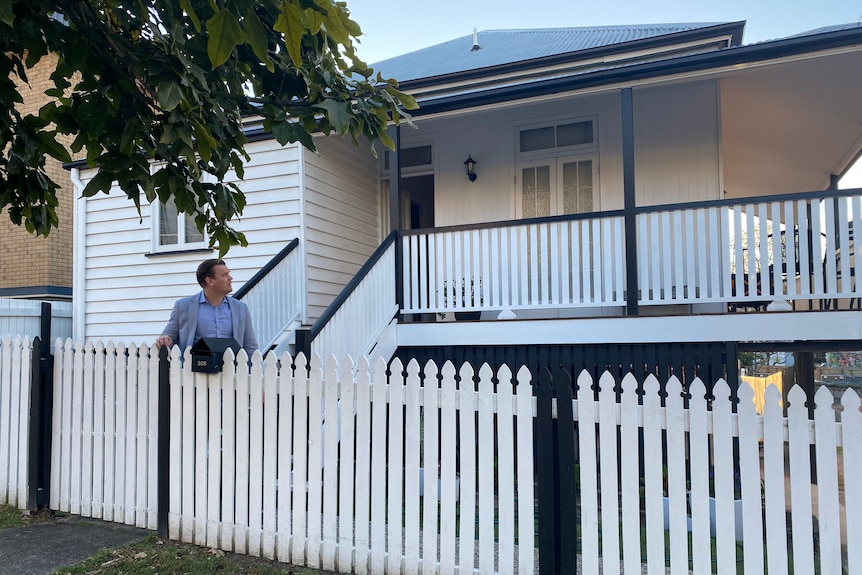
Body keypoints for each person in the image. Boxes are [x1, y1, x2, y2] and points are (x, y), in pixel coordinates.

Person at [156, 259, 258, 357]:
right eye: (224, 275)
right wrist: (165, 340)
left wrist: (253, 371)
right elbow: (168, 337)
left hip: (231, 370)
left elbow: (250, 345)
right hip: (194, 370)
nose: (230, 278)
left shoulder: (240, 308)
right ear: (210, 281)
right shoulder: (183, 306)